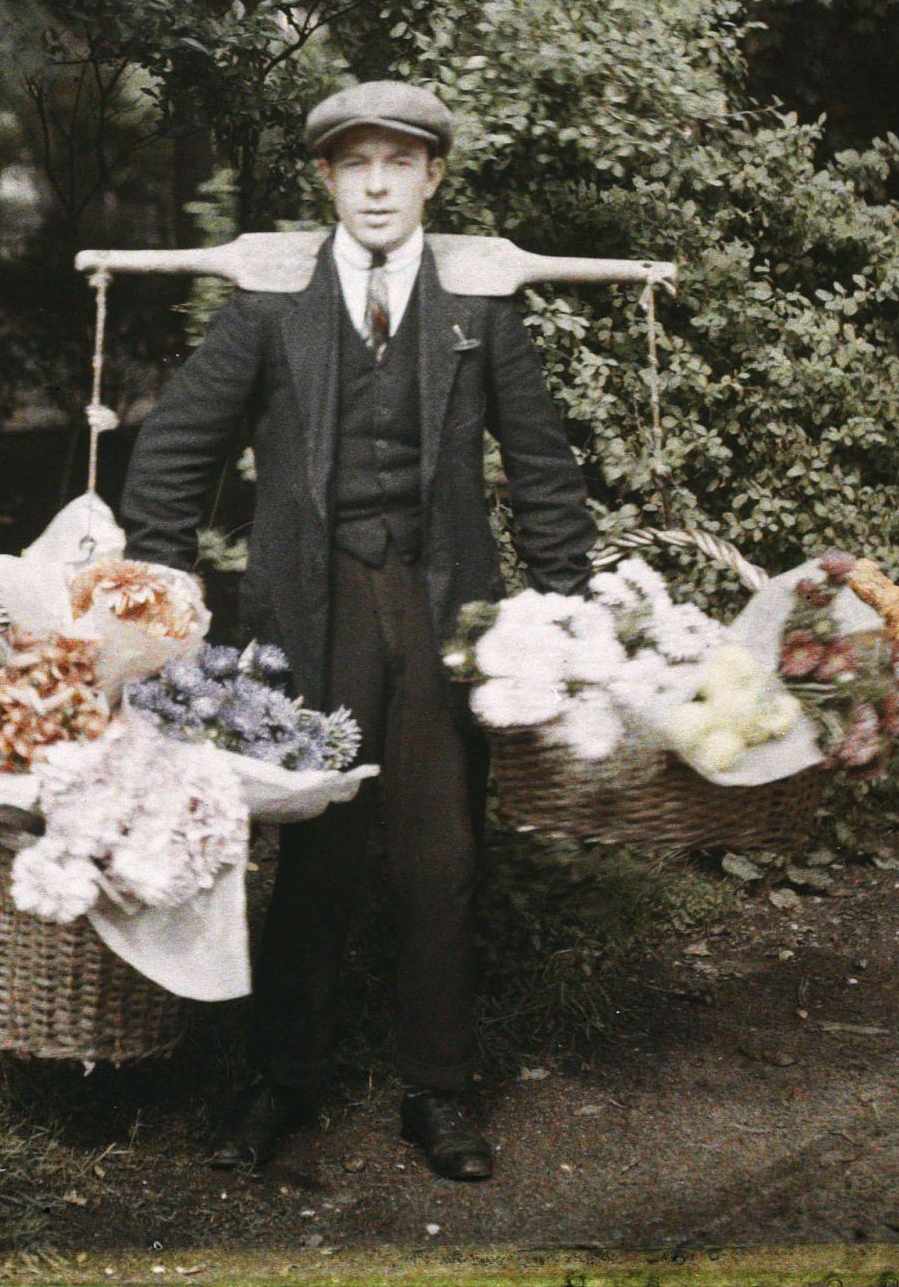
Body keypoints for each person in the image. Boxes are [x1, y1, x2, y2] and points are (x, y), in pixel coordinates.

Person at [116, 80, 598, 1181]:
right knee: (316, 857)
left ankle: (438, 1091)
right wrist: (157, 589)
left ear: (432, 177)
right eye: (355, 165)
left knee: (441, 857)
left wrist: (564, 605)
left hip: (440, 616)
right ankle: (280, 1080)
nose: (377, 185)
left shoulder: (479, 312)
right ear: (326, 180)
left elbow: (541, 466)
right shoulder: (268, 309)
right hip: (308, 608)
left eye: (399, 163)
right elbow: (177, 448)